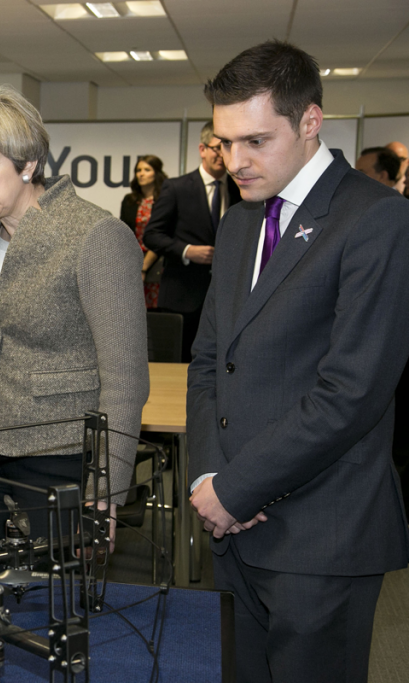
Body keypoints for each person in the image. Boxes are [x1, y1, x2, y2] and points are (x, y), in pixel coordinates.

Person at [188, 40, 409, 683]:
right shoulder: (239, 223)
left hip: (322, 533)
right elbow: (209, 362)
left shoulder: (378, 219)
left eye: (256, 141)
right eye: (225, 143)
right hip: (230, 524)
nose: (236, 161)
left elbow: (352, 392)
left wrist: (237, 488)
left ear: (311, 121)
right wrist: (208, 479)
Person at [0, 85, 149, 552]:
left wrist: (107, 491)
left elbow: (126, 378)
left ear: (29, 164)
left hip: (59, 447)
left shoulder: (96, 235)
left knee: (56, 599)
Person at [143, 122, 241, 361]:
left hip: (227, 298)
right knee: (180, 366)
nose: (222, 154)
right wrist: (187, 251)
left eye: (228, 147)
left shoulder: (240, 189)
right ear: (202, 149)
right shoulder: (176, 188)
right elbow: (152, 235)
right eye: (217, 148)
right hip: (183, 296)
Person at [120, 155, 168, 308]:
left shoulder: (165, 200)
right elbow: (124, 233)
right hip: (133, 260)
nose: (141, 174)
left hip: (157, 261)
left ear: (156, 173)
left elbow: (163, 235)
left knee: (155, 316)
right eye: (138, 170)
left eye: (147, 170)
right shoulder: (129, 200)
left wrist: (144, 266)